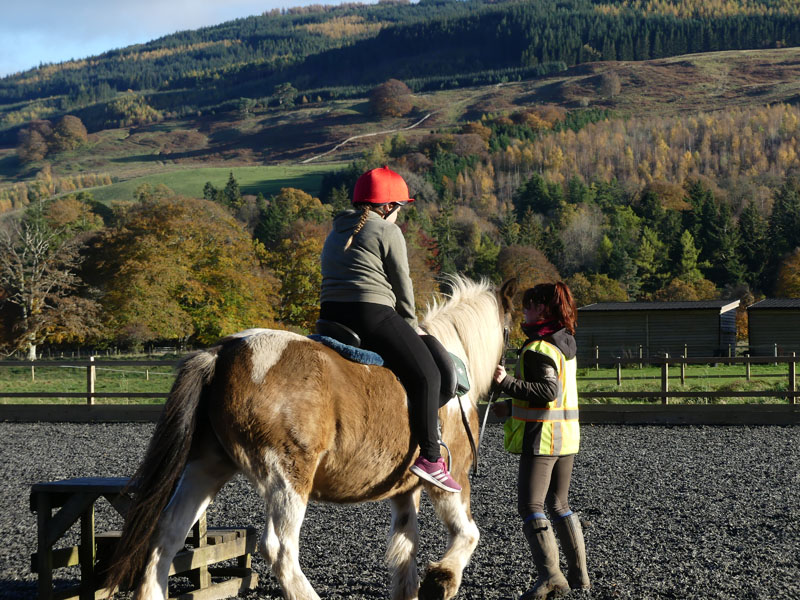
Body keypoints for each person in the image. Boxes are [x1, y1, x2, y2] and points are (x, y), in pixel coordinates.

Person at [319, 165, 461, 493]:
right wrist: (412, 327)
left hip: (330, 315)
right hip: (371, 313)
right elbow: (402, 284)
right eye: (399, 208)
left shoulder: (336, 229)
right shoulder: (386, 231)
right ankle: (429, 457)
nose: (398, 215)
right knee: (429, 375)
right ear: (387, 207)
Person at [491, 282, 590, 598]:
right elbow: (550, 392)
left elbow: (548, 392)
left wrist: (505, 382)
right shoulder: (565, 344)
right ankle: (580, 578)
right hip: (566, 437)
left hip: (542, 439)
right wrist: (510, 404)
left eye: (529, 305)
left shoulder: (538, 349)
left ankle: (551, 578)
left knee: (530, 505)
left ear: (543, 309)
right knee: (559, 504)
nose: (523, 310)